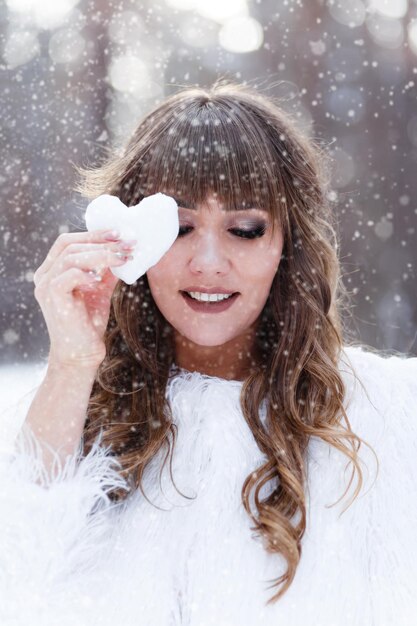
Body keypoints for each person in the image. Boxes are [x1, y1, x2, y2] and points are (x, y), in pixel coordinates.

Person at [0, 80, 416, 626]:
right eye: (179, 227)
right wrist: (72, 366)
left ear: (287, 243)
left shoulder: (390, 417)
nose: (209, 263)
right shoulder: (63, 412)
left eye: (244, 229)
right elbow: (17, 584)